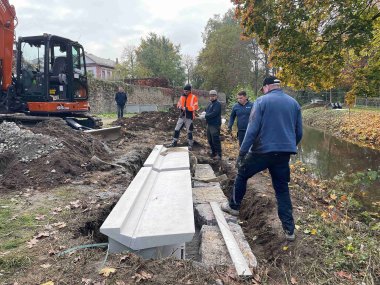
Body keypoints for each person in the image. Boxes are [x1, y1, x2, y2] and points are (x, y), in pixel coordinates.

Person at [221, 76, 303, 241]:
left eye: (263, 89)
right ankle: (289, 230)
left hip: (262, 151)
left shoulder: (261, 102)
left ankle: (234, 206)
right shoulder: (294, 104)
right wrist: (288, 145)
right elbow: (299, 132)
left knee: (242, 174)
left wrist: (242, 153)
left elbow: (252, 131)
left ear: (267, 87)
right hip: (284, 153)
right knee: (282, 189)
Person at [168, 84, 199, 150]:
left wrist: (187, 108)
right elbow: (178, 104)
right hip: (182, 116)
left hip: (189, 117)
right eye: (184, 91)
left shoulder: (194, 97)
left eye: (186, 91)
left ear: (190, 91)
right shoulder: (182, 97)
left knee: (189, 131)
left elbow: (195, 106)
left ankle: (190, 144)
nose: (185, 92)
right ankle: (174, 142)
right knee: (176, 129)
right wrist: (179, 106)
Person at [205, 90, 222, 159]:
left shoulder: (217, 104)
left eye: (213, 96)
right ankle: (213, 152)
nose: (212, 97)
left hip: (215, 125)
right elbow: (206, 111)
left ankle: (219, 154)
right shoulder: (210, 104)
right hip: (209, 124)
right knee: (210, 140)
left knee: (215, 139)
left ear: (216, 96)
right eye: (211, 96)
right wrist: (204, 113)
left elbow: (214, 113)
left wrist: (205, 116)